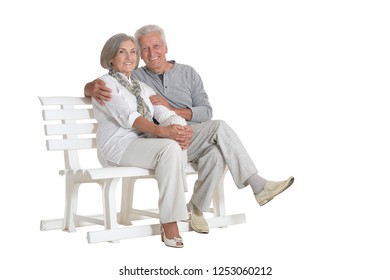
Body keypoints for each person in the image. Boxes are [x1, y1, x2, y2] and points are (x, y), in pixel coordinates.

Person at [85, 25, 294, 235]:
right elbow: (109, 84)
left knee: (216, 150)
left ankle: (195, 208)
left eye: (155, 46)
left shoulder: (186, 74)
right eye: (144, 49)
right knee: (219, 130)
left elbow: (206, 112)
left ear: (166, 47)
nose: (150, 53)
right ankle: (257, 185)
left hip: (190, 136)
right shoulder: (137, 76)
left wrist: (175, 116)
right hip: (159, 140)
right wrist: (88, 87)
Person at [92, 32, 193, 248]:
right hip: (117, 147)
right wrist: (164, 132)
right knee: (169, 146)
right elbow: (129, 117)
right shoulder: (104, 84)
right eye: (122, 52)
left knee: (174, 142)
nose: (129, 57)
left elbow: (164, 113)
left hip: (140, 145)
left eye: (133, 52)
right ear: (110, 58)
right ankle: (170, 221)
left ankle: (172, 214)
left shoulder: (142, 87)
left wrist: (180, 129)